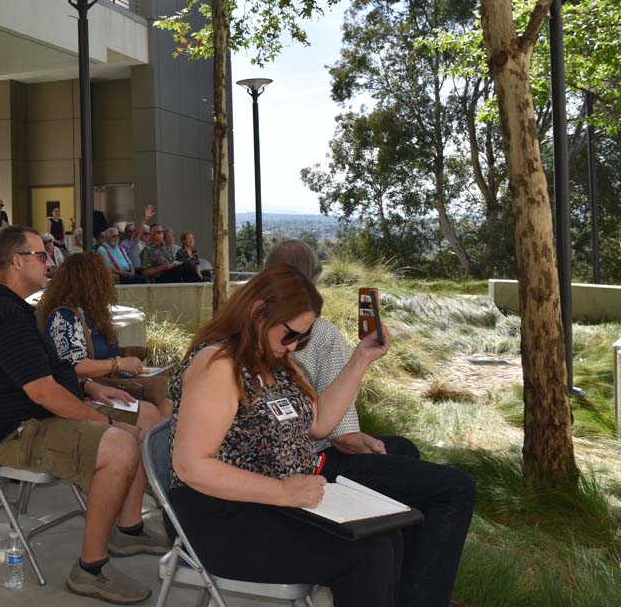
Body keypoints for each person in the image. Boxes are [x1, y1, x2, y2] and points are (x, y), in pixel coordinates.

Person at [168, 265, 403, 606]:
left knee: (386, 535)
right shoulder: (219, 364)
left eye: (302, 339)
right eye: (290, 334)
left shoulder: (270, 357)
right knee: (368, 554)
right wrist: (281, 491)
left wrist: (361, 358)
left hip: (273, 503)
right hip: (221, 517)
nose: (294, 346)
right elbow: (191, 466)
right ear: (258, 311)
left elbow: (319, 422)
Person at [0, 226, 167, 604]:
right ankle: (90, 568)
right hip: (16, 433)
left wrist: (91, 389)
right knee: (120, 443)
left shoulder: (21, 311)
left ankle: (129, 528)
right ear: (17, 261)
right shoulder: (4, 317)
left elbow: (54, 370)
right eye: (41, 255)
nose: (48, 261)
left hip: (40, 417)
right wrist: (102, 421)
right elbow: (43, 392)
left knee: (146, 416)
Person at [265, 240, 476, 607]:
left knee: (403, 450)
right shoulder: (316, 333)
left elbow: (317, 422)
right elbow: (338, 437)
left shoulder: (257, 335)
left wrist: (360, 365)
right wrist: (359, 440)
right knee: (455, 488)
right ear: (313, 281)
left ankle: (410, 583)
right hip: (309, 469)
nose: (292, 346)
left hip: (301, 457)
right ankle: (418, 595)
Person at [39, 253, 170, 420]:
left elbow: (97, 352)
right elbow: (73, 365)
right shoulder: (65, 316)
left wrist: (126, 354)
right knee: (148, 413)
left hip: (107, 384)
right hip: (83, 393)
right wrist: (119, 364)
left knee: (167, 407)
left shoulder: (93, 313)